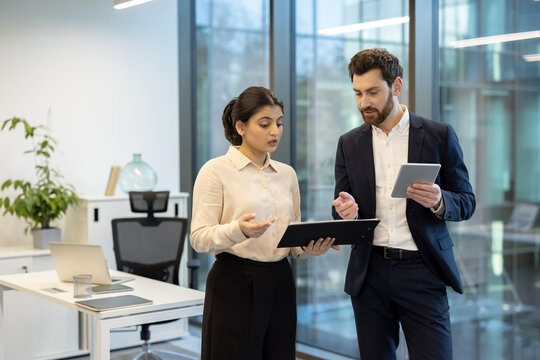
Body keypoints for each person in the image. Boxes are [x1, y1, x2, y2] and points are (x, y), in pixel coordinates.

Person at [332, 48, 476, 360]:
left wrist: (439, 200)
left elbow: (466, 201)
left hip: (422, 271)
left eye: (372, 92)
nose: (363, 102)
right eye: (357, 93)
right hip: (369, 273)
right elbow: (340, 205)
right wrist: (346, 211)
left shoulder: (439, 136)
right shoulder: (349, 143)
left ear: (396, 87)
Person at [191, 86, 339, 360]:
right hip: (234, 282)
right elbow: (198, 238)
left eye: (279, 123)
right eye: (265, 123)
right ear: (241, 126)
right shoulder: (215, 171)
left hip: (280, 281)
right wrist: (239, 230)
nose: (275, 131)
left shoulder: (287, 174)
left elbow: (292, 240)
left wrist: (309, 248)